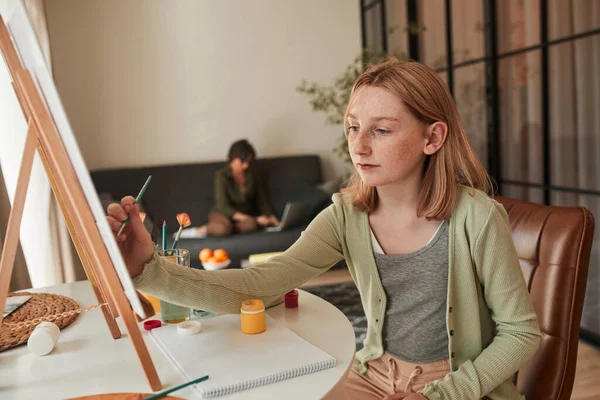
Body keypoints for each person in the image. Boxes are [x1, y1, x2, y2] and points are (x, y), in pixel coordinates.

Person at [107, 59, 540, 399]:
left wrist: (445, 395)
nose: (359, 145)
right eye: (353, 127)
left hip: (456, 383)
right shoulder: (344, 216)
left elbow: (520, 333)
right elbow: (260, 284)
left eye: (381, 130)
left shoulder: (478, 219)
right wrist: (149, 269)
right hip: (371, 371)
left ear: (433, 138)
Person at [206, 139, 279, 236]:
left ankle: (230, 229)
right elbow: (223, 206)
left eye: (248, 162)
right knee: (224, 228)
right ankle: (206, 229)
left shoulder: (253, 175)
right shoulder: (221, 176)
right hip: (222, 214)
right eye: (242, 162)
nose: (246, 166)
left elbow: (262, 202)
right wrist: (254, 219)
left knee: (252, 225)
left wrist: (275, 221)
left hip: (242, 219)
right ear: (233, 159)